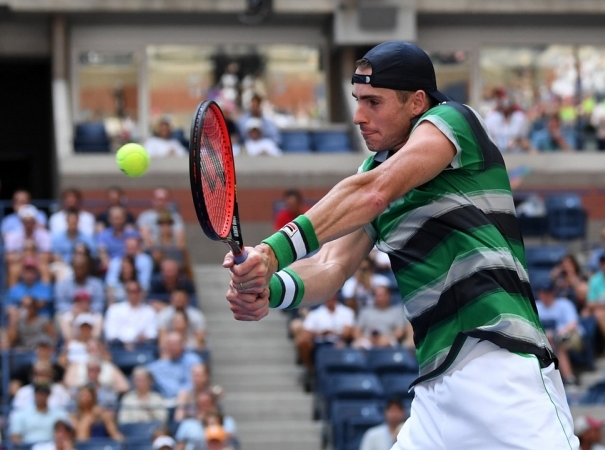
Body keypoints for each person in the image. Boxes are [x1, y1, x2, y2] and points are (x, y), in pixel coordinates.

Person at [224, 41, 576, 449]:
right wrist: (268, 288)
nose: (358, 116)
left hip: (499, 364)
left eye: (373, 102)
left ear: (417, 102)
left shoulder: (454, 122)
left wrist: (271, 252)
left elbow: (375, 192)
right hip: (434, 394)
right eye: (357, 100)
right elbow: (329, 266)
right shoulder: (373, 172)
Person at [535, 279, 583, 385]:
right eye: (542, 293)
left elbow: (573, 324)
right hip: (546, 339)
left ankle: (569, 379)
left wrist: (556, 333)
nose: (545, 296)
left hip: (571, 336)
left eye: (548, 293)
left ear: (553, 293)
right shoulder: (535, 306)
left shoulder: (564, 304)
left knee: (559, 343)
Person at [296, 291, 355, 372]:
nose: (330, 299)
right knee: (302, 341)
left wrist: (334, 333)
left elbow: (348, 332)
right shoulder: (315, 314)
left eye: (332, 296)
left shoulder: (346, 312)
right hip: (321, 343)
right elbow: (306, 332)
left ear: (336, 296)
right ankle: (311, 370)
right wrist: (320, 333)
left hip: (341, 342)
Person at [9, 382, 69, 446]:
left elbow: (66, 434)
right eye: (39, 393)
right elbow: (15, 436)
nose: (42, 396)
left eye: (45, 393)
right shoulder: (21, 414)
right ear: (34, 394)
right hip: (28, 447)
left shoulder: (60, 414)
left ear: (49, 394)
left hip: (52, 447)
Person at [103, 279, 158, 347]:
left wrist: (143, 337)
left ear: (140, 293)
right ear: (126, 293)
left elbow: (152, 333)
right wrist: (127, 341)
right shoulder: (114, 310)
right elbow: (111, 334)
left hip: (142, 346)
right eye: (130, 292)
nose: (133, 295)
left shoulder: (149, 311)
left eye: (136, 292)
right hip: (119, 347)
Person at [147, 332, 201, 399]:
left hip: (189, 398)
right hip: (165, 400)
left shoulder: (192, 360)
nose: (172, 347)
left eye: (175, 344)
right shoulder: (161, 364)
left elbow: (195, 382)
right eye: (170, 344)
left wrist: (182, 393)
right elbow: (146, 371)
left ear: (182, 345)